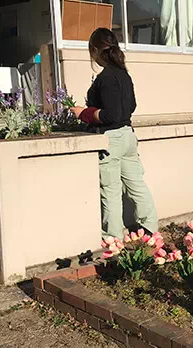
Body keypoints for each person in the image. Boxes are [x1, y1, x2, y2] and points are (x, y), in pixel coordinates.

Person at [70, 28, 158, 239]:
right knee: (136, 184)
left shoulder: (106, 77)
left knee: (110, 191)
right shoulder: (124, 75)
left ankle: (113, 239)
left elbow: (111, 114)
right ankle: (151, 229)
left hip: (111, 139)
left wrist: (85, 113)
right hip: (128, 135)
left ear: (94, 50)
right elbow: (131, 106)